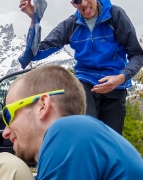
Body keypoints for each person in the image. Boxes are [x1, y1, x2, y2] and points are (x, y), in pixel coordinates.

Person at [0, 65, 143, 180]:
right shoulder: (84, 140)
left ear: (42, 106)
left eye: (8, 115)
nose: (5, 132)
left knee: (4, 166)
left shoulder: (69, 130)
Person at [18, 0, 143, 134]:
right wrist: (34, 20)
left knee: (111, 138)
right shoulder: (70, 25)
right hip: (86, 82)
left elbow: (137, 54)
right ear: (73, 3)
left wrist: (121, 77)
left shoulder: (115, 15)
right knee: (88, 132)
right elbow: (35, 53)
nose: (84, 4)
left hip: (116, 83)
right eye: (78, 0)